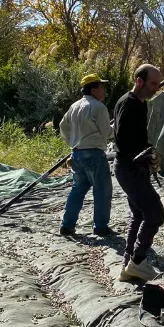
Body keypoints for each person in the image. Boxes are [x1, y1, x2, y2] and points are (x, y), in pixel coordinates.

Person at [113, 63, 164, 282]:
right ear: (139, 81)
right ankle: (138, 261)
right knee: (155, 214)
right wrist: (145, 154)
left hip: (133, 167)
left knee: (139, 214)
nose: (156, 88)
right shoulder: (128, 104)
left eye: (158, 84)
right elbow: (124, 142)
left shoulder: (140, 104)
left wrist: (149, 151)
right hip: (129, 167)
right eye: (153, 83)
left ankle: (129, 262)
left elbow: (137, 139)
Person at [59, 73, 114, 237]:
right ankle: (101, 227)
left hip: (76, 154)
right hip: (94, 154)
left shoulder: (74, 106)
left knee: (77, 190)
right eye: (102, 87)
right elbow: (107, 133)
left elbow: (63, 127)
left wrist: (72, 141)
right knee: (102, 190)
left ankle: (67, 226)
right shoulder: (98, 106)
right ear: (93, 89)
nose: (104, 90)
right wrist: (118, 128)